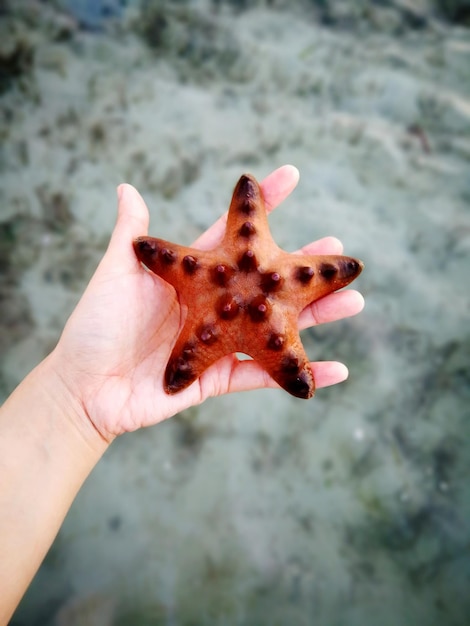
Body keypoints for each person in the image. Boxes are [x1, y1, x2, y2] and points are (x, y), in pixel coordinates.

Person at [0, 165, 364, 623]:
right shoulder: (267, 281)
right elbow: (319, 270)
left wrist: (74, 397)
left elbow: (170, 252)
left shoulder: (228, 284)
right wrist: (76, 396)